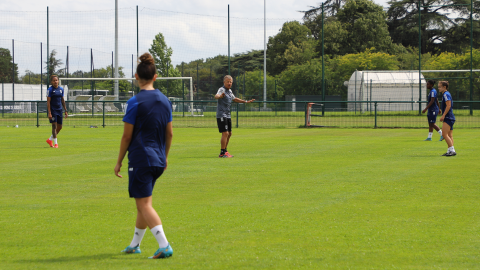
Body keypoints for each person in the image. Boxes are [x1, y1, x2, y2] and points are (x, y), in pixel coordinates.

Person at [114, 52, 174, 259]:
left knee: (144, 204)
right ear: (155, 76)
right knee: (142, 202)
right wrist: (164, 157)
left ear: (136, 77)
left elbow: (126, 137)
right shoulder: (166, 101)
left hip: (141, 159)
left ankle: (164, 245)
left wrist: (119, 161)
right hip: (157, 160)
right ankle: (134, 245)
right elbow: (170, 134)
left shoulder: (134, 102)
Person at [214, 75, 255, 158]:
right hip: (222, 114)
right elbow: (216, 96)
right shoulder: (222, 89)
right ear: (224, 82)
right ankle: (222, 153)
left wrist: (246, 102)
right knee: (225, 133)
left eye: (231, 82)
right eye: (228, 81)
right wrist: (220, 96)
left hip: (228, 115)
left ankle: (225, 151)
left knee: (229, 133)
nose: (229, 83)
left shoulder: (229, 91)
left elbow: (235, 99)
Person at [46, 75, 68, 148]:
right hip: (53, 110)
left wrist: (65, 110)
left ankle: (49, 139)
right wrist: (49, 112)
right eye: (54, 80)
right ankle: (56, 144)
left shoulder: (61, 89)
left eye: (56, 80)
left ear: (58, 81)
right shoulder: (50, 90)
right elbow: (48, 102)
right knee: (54, 127)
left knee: (60, 127)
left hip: (59, 110)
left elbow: (62, 100)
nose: (55, 81)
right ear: (51, 82)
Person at [438, 81, 456, 156]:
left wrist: (443, 115)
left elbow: (448, 105)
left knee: (444, 135)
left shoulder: (446, 94)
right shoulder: (446, 94)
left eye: (439, 87)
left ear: (444, 87)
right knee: (449, 135)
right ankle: (449, 151)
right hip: (450, 117)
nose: (438, 88)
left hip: (448, 117)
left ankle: (452, 150)